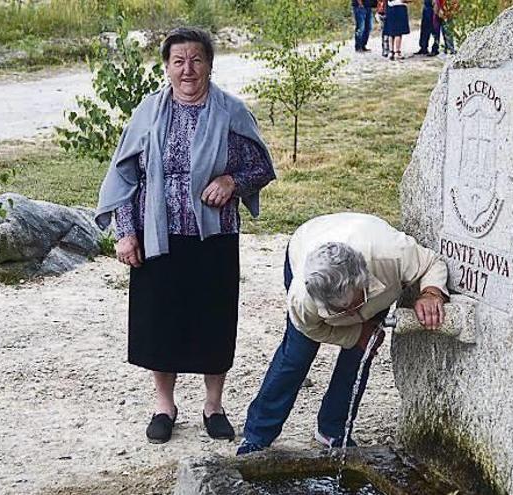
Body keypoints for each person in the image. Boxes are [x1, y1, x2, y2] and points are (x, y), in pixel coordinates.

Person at [95, 27, 276, 445]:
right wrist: (126, 233)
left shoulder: (231, 112)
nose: (188, 69)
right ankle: (164, 405)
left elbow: (261, 167)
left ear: (210, 65)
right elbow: (125, 177)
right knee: (161, 321)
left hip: (213, 236)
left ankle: (214, 405)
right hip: (158, 235)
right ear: (166, 67)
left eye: (196, 60)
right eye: (179, 61)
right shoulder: (148, 112)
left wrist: (232, 181)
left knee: (213, 319)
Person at [237, 213, 448, 455]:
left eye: (351, 305)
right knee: (296, 356)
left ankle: (334, 429)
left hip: (368, 255)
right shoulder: (303, 296)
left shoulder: (392, 254)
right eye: (338, 310)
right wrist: (354, 334)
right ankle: (258, 434)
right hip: (308, 240)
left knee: (358, 356)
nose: (346, 314)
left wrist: (431, 293)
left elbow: (433, 262)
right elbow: (310, 327)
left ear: (361, 280)